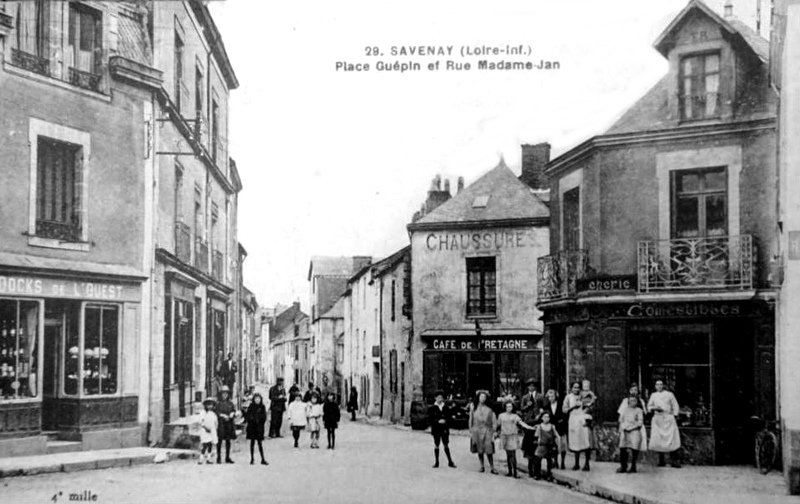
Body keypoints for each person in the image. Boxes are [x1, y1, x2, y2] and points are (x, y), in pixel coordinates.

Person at [497, 399, 536, 478]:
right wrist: (495, 433)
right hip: (505, 436)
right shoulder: (501, 415)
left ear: (512, 407)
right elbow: (498, 426)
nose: (509, 408)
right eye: (507, 407)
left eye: (510, 407)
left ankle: (515, 472)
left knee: (513, 454)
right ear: (505, 407)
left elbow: (522, 424)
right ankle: (510, 471)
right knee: (508, 454)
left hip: (513, 436)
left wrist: (531, 428)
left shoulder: (515, 416)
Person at [647, 379, 681, 468]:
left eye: (661, 384)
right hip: (658, 419)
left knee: (672, 439)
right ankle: (661, 460)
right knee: (659, 440)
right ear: (655, 386)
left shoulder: (669, 394)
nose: (659, 386)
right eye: (657, 385)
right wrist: (655, 408)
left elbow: (675, 405)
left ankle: (674, 461)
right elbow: (649, 406)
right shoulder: (653, 395)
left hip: (668, 418)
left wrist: (674, 415)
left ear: (663, 385)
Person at [563, 381, 592, 471]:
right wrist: (573, 407)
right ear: (571, 388)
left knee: (585, 440)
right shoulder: (568, 397)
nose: (577, 389)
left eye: (578, 387)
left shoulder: (584, 396)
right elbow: (564, 410)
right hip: (573, 419)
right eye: (575, 387)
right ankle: (576, 463)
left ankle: (587, 463)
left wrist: (585, 410)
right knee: (575, 441)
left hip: (582, 418)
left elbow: (590, 406)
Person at [469, 390, 498, 474]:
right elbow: (471, 419)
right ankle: (481, 466)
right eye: (481, 397)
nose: (483, 399)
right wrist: (471, 430)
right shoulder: (473, 408)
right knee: (479, 449)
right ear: (478, 398)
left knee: (489, 449)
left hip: (487, 430)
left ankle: (492, 467)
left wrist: (494, 431)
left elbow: (494, 421)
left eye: (485, 397)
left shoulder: (489, 409)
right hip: (477, 430)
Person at [539, 389, 568, 471]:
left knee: (563, 445)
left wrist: (562, 420)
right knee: (554, 446)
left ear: (556, 397)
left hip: (561, 427)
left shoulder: (561, 404)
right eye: (549, 397)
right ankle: (556, 462)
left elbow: (565, 415)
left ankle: (562, 462)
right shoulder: (547, 407)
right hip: (552, 428)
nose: (551, 398)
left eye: (553, 396)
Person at [427, 390, 457, 468]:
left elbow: (450, 418)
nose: (440, 399)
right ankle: (436, 462)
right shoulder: (432, 408)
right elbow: (429, 419)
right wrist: (437, 421)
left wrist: (445, 421)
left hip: (444, 428)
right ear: (435, 398)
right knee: (436, 444)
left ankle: (450, 461)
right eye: (438, 397)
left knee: (446, 444)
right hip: (436, 428)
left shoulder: (446, 408)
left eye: (441, 397)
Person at [520, 379, 543, 472]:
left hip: (537, 420)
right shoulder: (525, 397)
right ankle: (530, 466)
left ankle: (537, 466)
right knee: (529, 444)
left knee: (536, 443)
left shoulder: (540, 396)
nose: (531, 387)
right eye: (530, 386)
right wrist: (527, 406)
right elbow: (522, 409)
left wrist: (540, 414)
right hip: (528, 421)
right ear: (528, 387)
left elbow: (543, 407)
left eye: (533, 386)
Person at [617, 396, 645, 473]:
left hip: (634, 430)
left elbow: (640, 422)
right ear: (628, 402)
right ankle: (623, 466)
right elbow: (621, 420)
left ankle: (633, 466)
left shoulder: (639, 410)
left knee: (634, 448)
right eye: (631, 401)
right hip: (625, 430)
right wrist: (622, 428)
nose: (633, 402)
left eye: (634, 401)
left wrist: (632, 428)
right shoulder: (625, 410)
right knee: (622, 448)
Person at [533, 411, 561, 481]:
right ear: (542, 418)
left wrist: (558, 444)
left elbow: (557, 435)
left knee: (549, 461)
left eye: (548, 417)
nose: (547, 418)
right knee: (537, 459)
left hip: (550, 446)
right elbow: (536, 436)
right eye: (545, 417)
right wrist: (538, 441)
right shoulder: (539, 426)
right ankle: (537, 474)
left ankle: (549, 475)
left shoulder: (552, 426)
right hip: (542, 445)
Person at [245, 393, 268, 465]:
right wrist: (252, 420)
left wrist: (260, 421)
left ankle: (262, 459)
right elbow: (247, 416)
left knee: (260, 443)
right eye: (256, 398)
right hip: (252, 427)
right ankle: (252, 459)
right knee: (252, 443)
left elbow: (264, 417)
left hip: (259, 427)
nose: (257, 400)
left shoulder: (262, 406)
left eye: (259, 398)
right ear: (254, 399)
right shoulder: (251, 406)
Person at [216, 385, 236, 464]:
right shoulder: (218, 403)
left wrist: (232, 413)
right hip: (221, 424)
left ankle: (227, 457)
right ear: (221, 394)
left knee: (228, 441)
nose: (225, 395)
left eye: (226, 393)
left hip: (229, 424)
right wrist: (222, 415)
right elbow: (216, 413)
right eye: (223, 393)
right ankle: (218, 457)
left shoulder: (230, 403)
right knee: (219, 441)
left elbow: (234, 411)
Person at [197, 397, 218, 465]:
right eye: (208, 404)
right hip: (204, 431)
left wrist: (214, 428)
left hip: (211, 431)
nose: (209, 406)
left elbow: (215, 422)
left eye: (211, 405)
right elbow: (201, 421)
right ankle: (201, 458)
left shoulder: (213, 414)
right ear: (205, 405)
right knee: (204, 445)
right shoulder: (202, 413)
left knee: (210, 445)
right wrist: (205, 428)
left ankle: (209, 458)